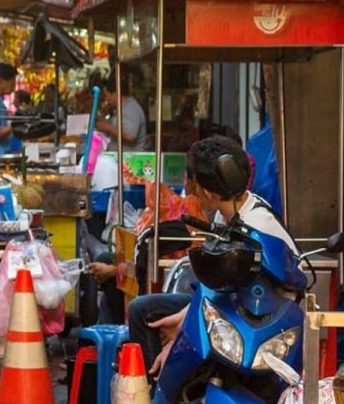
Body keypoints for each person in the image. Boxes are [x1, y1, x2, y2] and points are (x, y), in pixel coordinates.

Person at [123, 135, 298, 371]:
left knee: (151, 317)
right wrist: (186, 315)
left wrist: (184, 328)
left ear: (206, 192)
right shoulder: (228, 213)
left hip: (260, 315)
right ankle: (156, 391)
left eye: (191, 181)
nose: (188, 187)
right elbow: (221, 285)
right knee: (143, 310)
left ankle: (160, 381)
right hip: (232, 301)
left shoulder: (257, 225)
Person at [93, 73, 151, 152]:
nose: (106, 99)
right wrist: (103, 122)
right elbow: (119, 127)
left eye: (107, 95)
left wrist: (107, 128)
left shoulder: (131, 109)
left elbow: (130, 136)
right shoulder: (122, 108)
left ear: (115, 94)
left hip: (130, 160)